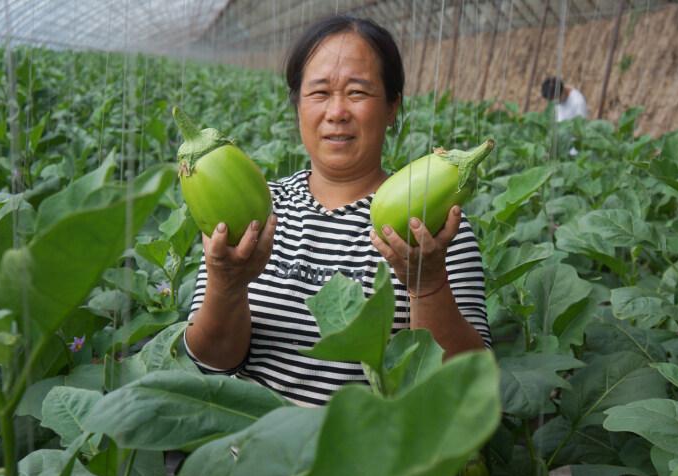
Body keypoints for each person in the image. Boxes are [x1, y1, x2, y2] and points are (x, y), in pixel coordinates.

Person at [183, 15, 491, 407]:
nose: (337, 112)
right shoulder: (255, 212)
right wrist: (227, 286)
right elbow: (211, 361)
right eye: (319, 92)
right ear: (297, 104)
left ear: (393, 106)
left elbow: (466, 386)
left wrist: (427, 284)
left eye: (358, 93)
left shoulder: (435, 228)